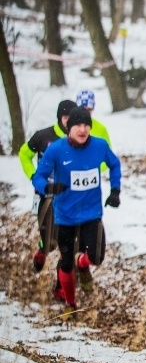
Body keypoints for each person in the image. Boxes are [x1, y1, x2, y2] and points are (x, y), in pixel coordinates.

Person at [31, 106, 122, 319]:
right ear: (68, 128)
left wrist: (115, 190)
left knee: (97, 257)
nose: (82, 130)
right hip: (65, 216)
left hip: (92, 214)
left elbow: (115, 164)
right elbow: (38, 176)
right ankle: (70, 304)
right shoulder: (56, 149)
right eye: (77, 125)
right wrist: (48, 187)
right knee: (66, 261)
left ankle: (83, 263)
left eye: (86, 125)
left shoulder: (99, 145)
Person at [19, 99, 78, 271]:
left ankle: (63, 281)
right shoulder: (43, 136)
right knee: (49, 239)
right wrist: (33, 175)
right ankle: (43, 249)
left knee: (68, 245)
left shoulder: (81, 139)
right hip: (46, 195)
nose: (69, 122)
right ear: (59, 118)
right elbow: (24, 154)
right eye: (66, 118)